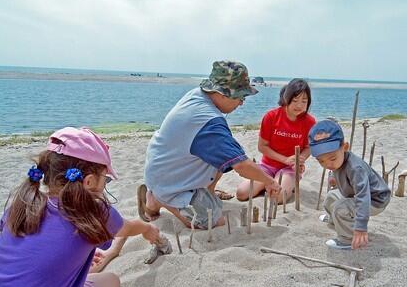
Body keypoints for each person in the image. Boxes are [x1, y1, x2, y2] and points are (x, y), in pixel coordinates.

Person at [0, 127, 167, 287]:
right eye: (106, 179)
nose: (106, 184)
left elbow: (31, 250)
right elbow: (128, 228)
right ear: (90, 181)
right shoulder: (93, 211)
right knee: (111, 282)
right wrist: (148, 229)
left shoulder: (23, 201)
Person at [139, 60, 281, 229]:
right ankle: (158, 199)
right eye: (240, 96)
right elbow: (241, 165)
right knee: (214, 222)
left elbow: (232, 155)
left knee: (225, 158)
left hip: (164, 168)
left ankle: (180, 195)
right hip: (168, 180)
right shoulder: (208, 121)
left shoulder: (198, 95)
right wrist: (269, 181)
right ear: (222, 93)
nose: (242, 102)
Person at [308, 120, 391, 250]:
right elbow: (336, 171)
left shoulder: (355, 168)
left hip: (374, 200)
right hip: (355, 194)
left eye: (332, 158)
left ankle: (347, 239)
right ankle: (334, 220)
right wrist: (333, 179)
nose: (327, 164)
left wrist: (361, 227)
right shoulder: (337, 161)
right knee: (331, 197)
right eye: (321, 161)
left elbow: (363, 196)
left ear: (345, 147)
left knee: (341, 207)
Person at [236, 78, 316, 203]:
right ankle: (270, 182)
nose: (299, 105)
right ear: (286, 98)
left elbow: (309, 147)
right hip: (267, 166)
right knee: (242, 193)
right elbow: (262, 147)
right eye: (295, 100)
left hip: (290, 169)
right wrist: (284, 159)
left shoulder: (310, 122)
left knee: (278, 198)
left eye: (304, 101)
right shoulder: (271, 117)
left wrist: (301, 158)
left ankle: (285, 183)